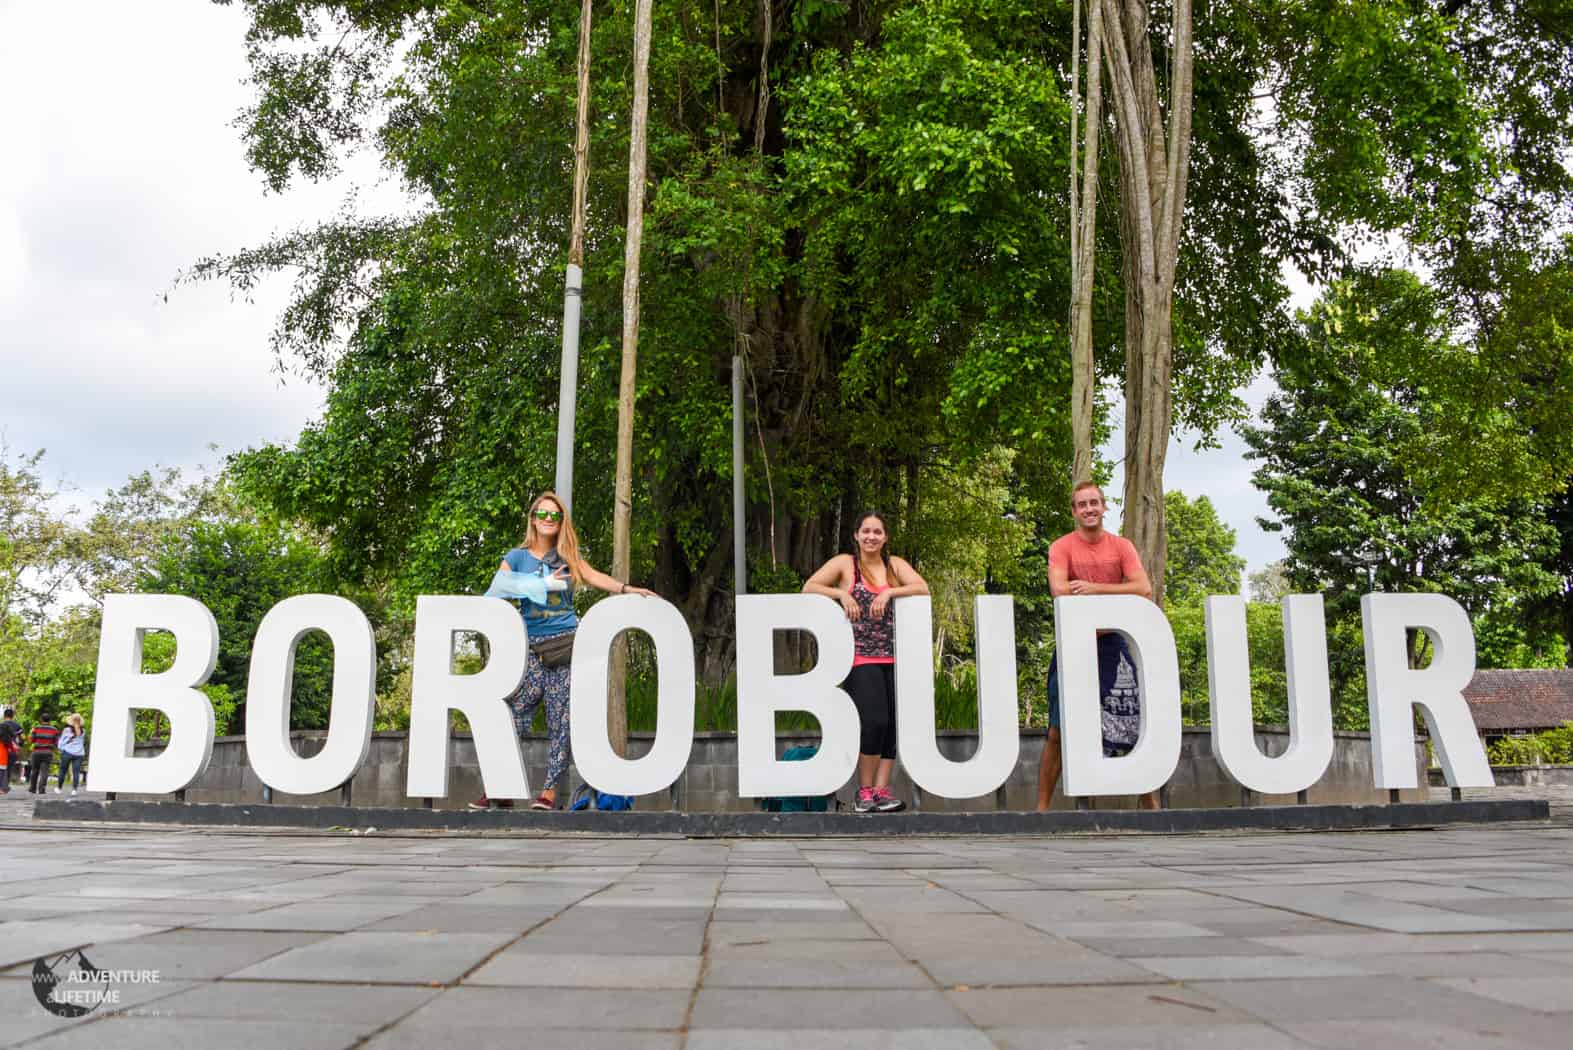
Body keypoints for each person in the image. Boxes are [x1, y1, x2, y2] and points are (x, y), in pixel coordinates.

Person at [474, 491, 655, 812]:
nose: (547, 520)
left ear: (561, 523)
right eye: (542, 514)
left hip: (567, 643)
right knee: (514, 716)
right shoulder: (517, 557)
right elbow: (497, 589)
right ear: (532, 519)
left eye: (554, 516)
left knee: (561, 718)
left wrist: (627, 589)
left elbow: (594, 576)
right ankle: (498, 787)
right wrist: (539, 585)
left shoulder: (567, 556)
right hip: (529, 647)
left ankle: (548, 793)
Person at [1036, 481, 1160, 811]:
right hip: (1073, 644)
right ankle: (1041, 810)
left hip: (1112, 643)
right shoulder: (1062, 546)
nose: (1089, 508)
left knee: (1132, 722)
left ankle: (1151, 805)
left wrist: (1093, 587)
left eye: (1094, 502)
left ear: (1104, 507)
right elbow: (1059, 590)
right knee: (1058, 731)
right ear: (1074, 511)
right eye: (1082, 504)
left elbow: (1143, 587)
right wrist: (1112, 590)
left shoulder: (1121, 547)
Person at [803, 511, 929, 813]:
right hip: (861, 658)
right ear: (856, 536)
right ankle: (865, 791)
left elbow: (922, 587)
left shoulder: (894, 565)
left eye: (877, 532)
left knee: (891, 728)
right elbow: (809, 587)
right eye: (866, 531)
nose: (871, 536)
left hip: (895, 658)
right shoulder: (847, 565)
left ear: (885, 537)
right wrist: (841, 595)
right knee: (874, 722)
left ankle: (882, 791)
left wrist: (889, 593)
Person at [55, 714, 87, 795]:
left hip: (67, 753)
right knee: (76, 772)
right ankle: (74, 790)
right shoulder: (83, 731)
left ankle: (59, 788)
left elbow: (62, 741)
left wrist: (61, 749)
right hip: (79, 754)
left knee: (63, 771)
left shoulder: (67, 730)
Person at [28, 716, 59, 794]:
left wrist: (31, 733)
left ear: (41, 720)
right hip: (48, 752)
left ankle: (32, 788)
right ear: (50, 721)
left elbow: (31, 740)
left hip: (37, 752)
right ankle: (42, 789)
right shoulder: (54, 730)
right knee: (44, 771)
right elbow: (56, 742)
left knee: (34, 770)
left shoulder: (36, 728)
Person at [0, 707, 18, 794]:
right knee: (4, 771)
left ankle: (3, 788)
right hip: (4, 756)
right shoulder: (8, 741)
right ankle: (3, 788)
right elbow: (17, 742)